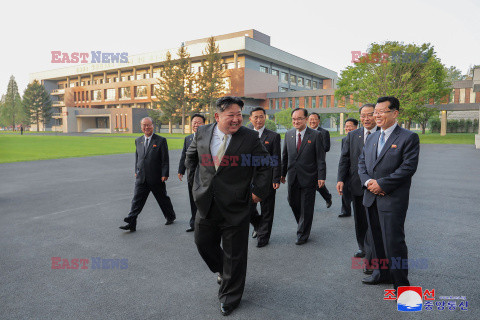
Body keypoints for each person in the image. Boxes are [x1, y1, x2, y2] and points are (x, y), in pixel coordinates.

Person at [185, 96, 271, 316]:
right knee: (203, 243)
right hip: (206, 203)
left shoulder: (249, 137)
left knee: (235, 254)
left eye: (239, 115)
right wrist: (196, 185)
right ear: (217, 116)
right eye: (230, 115)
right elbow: (192, 157)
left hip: (237, 205)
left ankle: (230, 297)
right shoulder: (202, 132)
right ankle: (225, 271)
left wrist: (257, 193)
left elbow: (264, 165)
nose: (236, 120)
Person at [358, 96, 420, 290]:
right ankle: (381, 274)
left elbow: (408, 167)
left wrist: (382, 184)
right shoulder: (373, 136)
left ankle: (401, 284)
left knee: (394, 242)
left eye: (381, 112)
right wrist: (368, 182)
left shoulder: (408, 137)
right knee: (376, 241)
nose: (376, 115)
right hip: (371, 197)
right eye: (375, 112)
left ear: (395, 113)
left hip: (392, 199)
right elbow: (361, 162)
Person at [337, 106, 379, 274]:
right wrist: (341, 179)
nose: (366, 118)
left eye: (370, 115)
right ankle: (362, 247)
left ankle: (373, 252)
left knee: (374, 221)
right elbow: (344, 158)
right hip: (356, 184)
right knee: (360, 220)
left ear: (376, 115)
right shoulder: (353, 135)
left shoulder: (383, 134)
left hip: (376, 186)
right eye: (363, 115)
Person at [120, 117, 176, 232]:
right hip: (141, 177)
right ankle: (131, 222)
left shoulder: (160, 140)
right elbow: (138, 157)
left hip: (156, 177)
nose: (146, 127)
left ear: (152, 126)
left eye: (148, 125)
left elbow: (165, 159)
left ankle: (170, 216)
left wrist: (165, 174)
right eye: (144, 125)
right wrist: (137, 170)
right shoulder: (138, 140)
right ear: (141, 127)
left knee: (162, 199)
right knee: (136, 201)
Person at [281, 108, 326, 245]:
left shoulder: (316, 135)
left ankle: (302, 234)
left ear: (306, 119)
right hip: (292, 176)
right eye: (294, 119)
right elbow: (285, 156)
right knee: (292, 202)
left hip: (309, 176)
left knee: (306, 206)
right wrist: (281, 174)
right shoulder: (288, 135)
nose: (296, 121)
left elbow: (320, 158)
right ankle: (303, 223)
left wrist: (321, 176)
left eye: (299, 118)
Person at [248, 107, 281, 248]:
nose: (258, 120)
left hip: (267, 180)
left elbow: (276, 159)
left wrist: (276, 178)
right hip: (249, 180)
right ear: (250, 119)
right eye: (255, 117)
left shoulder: (273, 136)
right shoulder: (246, 135)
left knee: (267, 209)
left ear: (265, 117)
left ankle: (263, 237)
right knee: (248, 209)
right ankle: (258, 225)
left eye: (261, 117)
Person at [178, 114, 205, 232]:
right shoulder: (188, 138)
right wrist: (181, 170)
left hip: (205, 175)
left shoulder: (208, 137)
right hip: (191, 175)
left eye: (199, 122)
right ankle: (193, 223)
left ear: (204, 124)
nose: (196, 124)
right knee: (192, 199)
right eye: (194, 122)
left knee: (204, 199)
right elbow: (184, 155)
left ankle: (204, 223)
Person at [308, 113, 332, 208]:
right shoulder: (306, 131)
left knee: (318, 184)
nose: (312, 121)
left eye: (314, 119)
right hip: (306, 163)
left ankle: (327, 197)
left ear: (318, 121)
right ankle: (308, 205)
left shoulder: (324, 132)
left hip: (318, 162)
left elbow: (326, 147)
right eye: (311, 119)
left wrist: (313, 149)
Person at [338, 118, 359, 218]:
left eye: (350, 126)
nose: (347, 128)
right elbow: (344, 156)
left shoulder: (360, 137)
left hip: (358, 169)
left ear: (356, 126)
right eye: (346, 126)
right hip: (347, 169)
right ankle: (345, 210)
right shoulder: (344, 139)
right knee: (345, 190)